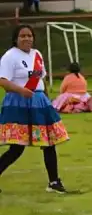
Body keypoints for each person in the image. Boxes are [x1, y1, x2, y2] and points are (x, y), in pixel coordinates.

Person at [0, 25, 68, 193]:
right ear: (16, 39)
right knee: (17, 147)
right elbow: (3, 80)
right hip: (19, 102)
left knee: (49, 142)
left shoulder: (37, 55)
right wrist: (21, 90)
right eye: (22, 36)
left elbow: (41, 79)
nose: (27, 39)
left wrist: (45, 97)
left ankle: (54, 182)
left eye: (29, 35)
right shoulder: (10, 56)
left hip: (39, 102)